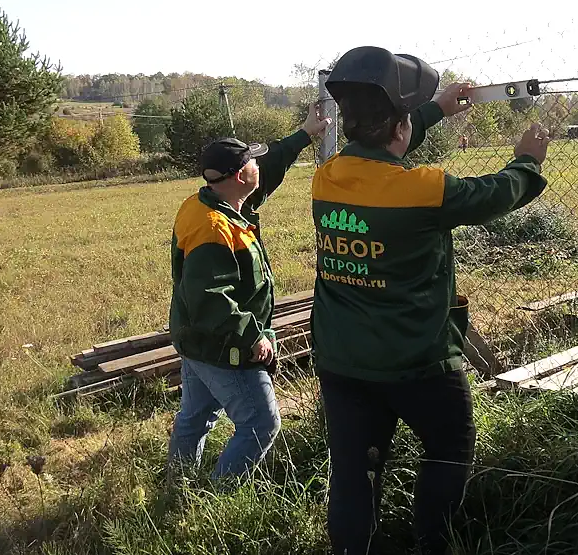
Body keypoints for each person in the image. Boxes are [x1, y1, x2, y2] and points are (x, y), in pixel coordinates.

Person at [311, 46, 552, 555]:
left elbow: (382, 144)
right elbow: (499, 193)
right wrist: (527, 160)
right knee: (449, 446)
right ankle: (433, 544)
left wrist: (435, 109)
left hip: (343, 357)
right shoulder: (426, 189)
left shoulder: (327, 177)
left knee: (353, 470)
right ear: (400, 127)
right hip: (416, 360)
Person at [165, 104, 331, 482]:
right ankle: (216, 497)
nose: (260, 164)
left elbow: (269, 167)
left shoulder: (210, 201)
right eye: (253, 161)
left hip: (196, 340)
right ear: (241, 175)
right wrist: (252, 336)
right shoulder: (213, 228)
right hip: (223, 345)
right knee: (261, 423)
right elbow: (210, 296)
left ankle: (179, 487)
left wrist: (306, 133)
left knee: (194, 416)